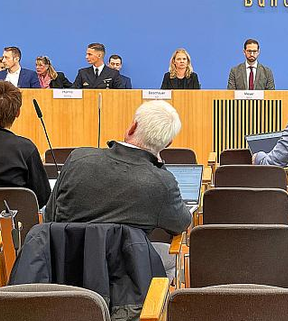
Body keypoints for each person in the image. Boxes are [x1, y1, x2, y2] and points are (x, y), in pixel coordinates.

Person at [46, 100, 191, 234]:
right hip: (128, 261)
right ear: (167, 144)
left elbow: (50, 215)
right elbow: (181, 225)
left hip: (64, 259)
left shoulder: (78, 158)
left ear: (132, 128)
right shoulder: (162, 183)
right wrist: (159, 164)